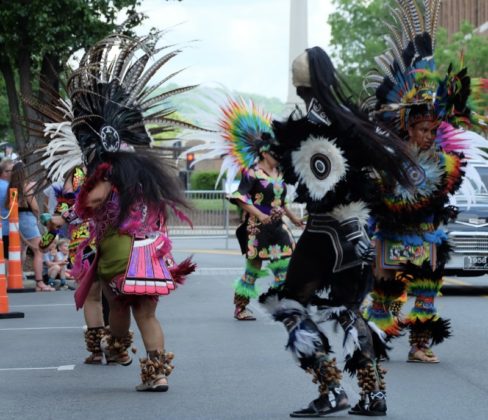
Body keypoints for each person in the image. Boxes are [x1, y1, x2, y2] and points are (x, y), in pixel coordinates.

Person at [32, 32, 202, 391]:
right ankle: (156, 373)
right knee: (147, 314)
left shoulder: (107, 176)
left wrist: (73, 205)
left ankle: (119, 349)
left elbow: (88, 204)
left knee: (121, 308)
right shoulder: (146, 175)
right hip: (152, 252)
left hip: (121, 254)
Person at [260, 47, 418, 417]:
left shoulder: (310, 124)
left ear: (302, 87)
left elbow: (319, 182)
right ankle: (373, 396)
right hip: (358, 234)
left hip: (325, 232)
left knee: (289, 304)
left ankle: (331, 389)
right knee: (348, 312)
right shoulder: (353, 121)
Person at [362, 0, 487, 364]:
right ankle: (376, 341)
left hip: (427, 236)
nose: (429, 135)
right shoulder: (392, 161)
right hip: (393, 235)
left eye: (433, 129)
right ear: (408, 128)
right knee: (385, 293)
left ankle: (420, 345)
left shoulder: (446, 162)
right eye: (422, 129)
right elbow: (379, 196)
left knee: (427, 291)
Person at [8, 162, 55, 291]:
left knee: (20, 251)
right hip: (28, 219)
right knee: (38, 251)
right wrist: (38, 216)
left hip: (16, 220)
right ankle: (40, 282)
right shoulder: (26, 187)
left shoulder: (11, 188)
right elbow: (34, 207)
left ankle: (16, 278)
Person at [0, 158, 14, 257]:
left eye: (12, 171)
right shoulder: (10, 187)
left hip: (5, 226)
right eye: (7, 171)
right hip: (7, 227)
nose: (10, 173)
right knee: (7, 256)